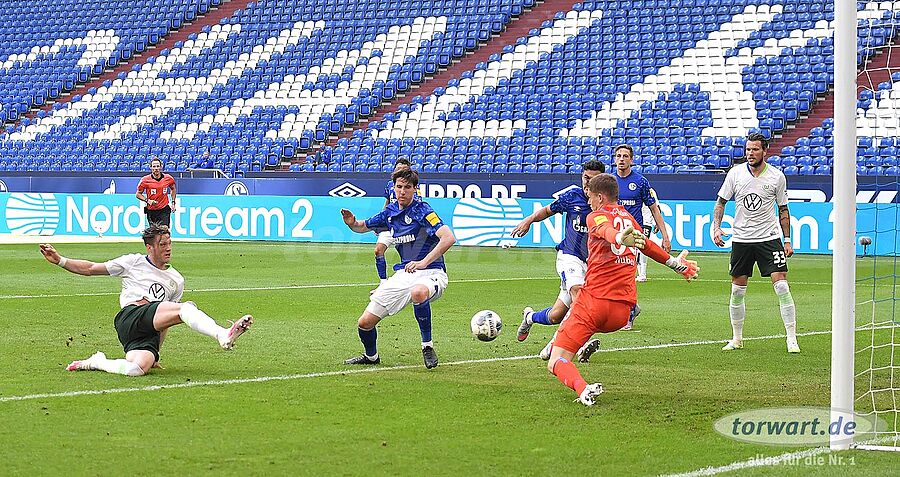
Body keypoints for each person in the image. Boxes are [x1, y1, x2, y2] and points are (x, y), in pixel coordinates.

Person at [546, 174, 699, 406]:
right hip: (621, 313)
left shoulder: (595, 216)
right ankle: (575, 343)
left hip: (594, 306)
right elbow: (648, 246)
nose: (588, 201)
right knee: (578, 330)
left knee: (556, 360)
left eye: (590, 197)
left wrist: (618, 237)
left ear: (600, 197)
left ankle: (583, 388)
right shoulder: (629, 218)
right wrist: (677, 265)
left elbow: (605, 229)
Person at [39, 224, 252, 376]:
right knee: (186, 307)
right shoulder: (133, 262)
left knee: (137, 369)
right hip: (130, 316)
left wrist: (156, 352)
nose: (168, 248)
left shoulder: (176, 280)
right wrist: (60, 260)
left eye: (169, 243)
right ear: (149, 247)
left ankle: (96, 362)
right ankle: (222, 334)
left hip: (148, 329)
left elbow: (165, 322)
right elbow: (91, 268)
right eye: (162, 244)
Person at [340, 169, 456, 369]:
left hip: (432, 272)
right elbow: (362, 226)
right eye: (399, 187)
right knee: (364, 323)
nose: (402, 191)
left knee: (418, 292)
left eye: (407, 187)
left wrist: (423, 262)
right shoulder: (390, 212)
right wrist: (352, 224)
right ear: (393, 188)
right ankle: (371, 356)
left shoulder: (423, 210)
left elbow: (448, 238)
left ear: (415, 189)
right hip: (405, 274)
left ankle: (427, 346)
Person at [510, 160, 607, 361]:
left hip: (591, 264)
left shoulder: (606, 203)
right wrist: (528, 221)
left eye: (593, 179)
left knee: (556, 315)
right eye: (586, 178)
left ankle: (529, 317)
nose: (588, 183)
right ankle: (573, 344)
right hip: (569, 257)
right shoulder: (572, 197)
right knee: (579, 295)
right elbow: (547, 210)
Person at [712, 133, 799, 353]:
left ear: (764, 151)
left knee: (781, 285)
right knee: (737, 290)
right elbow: (721, 202)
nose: (750, 153)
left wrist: (787, 240)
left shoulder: (777, 177)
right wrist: (716, 227)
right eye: (748, 149)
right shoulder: (735, 173)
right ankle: (737, 338)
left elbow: (783, 209)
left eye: (755, 149)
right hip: (742, 239)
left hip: (769, 238)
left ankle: (791, 338)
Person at [612, 144, 671, 330]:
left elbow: (654, 208)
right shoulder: (609, 181)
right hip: (614, 236)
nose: (622, 159)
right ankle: (632, 308)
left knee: (627, 277)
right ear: (614, 159)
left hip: (633, 236)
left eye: (625, 156)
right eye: (618, 156)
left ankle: (628, 314)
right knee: (613, 276)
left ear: (632, 160)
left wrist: (665, 235)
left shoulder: (640, 182)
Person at [373, 158, 412, 289]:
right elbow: (387, 203)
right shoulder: (390, 185)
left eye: (403, 169)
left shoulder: (411, 186)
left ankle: (408, 282)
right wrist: (380, 222)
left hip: (404, 226)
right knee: (378, 250)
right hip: (390, 224)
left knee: (408, 256)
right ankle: (383, 282)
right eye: (398, 168)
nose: (400, 171)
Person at [136, 156, 177, 227]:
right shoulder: (145, 180)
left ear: (161, 167)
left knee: (164, 229)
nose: (156, 168)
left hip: (164, 209)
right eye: (154, 166)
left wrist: (173, 202)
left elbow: (173, 189)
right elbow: (138, 194)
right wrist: (148, 200)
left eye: (158, 166)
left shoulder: (168, 178)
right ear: (150, 167)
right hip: (151, 210)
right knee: (155, 232)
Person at [637, 187, 660, 282]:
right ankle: (640, 274)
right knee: (636, 247)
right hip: (637, 222)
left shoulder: (649, 191)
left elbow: (656, 207)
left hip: (646, 223)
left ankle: (642, 274)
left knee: (641, 246)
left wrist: (657, 223)